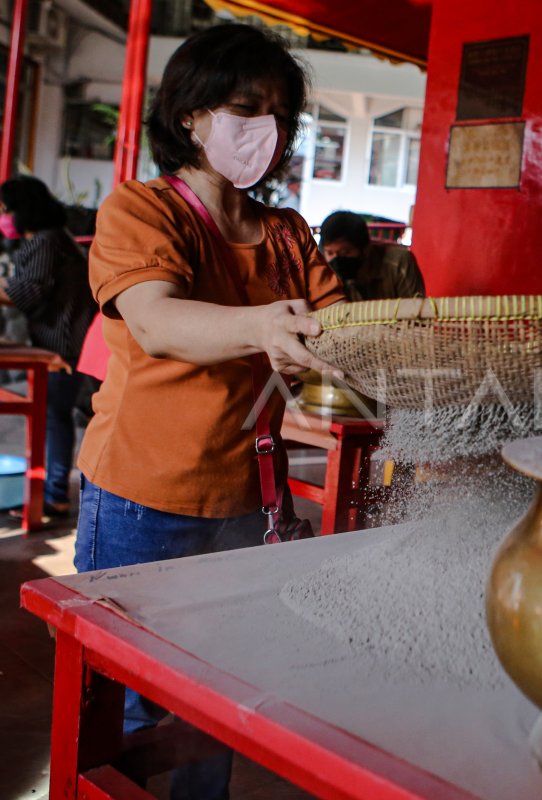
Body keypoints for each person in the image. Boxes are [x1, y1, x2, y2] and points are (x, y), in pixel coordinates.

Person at [74, 24, 344, 798]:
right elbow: (156, 322)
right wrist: (262, 327)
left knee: (215, 701)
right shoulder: (143, 211)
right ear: (190, 115)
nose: (266, 127)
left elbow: (345, 333)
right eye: (243, 106)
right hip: (139, 495)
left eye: (280, 114)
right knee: (129, 708)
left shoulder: (288, 233)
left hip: (246, 502)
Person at [0, 175, 98, 519]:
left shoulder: (46, 241)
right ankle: (50, 491)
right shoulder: (55, 238)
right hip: (67, 341)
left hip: (64, 344)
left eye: (6, 210)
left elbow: (28, 292)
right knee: (55, 416)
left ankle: (53, 494)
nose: (4, 217)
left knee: (54, 417)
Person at [319, 210, 425, 300]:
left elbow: (415, 313)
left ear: (365, 249)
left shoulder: (398, 264)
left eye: (345, 252)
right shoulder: (323, 270)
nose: (337, 259)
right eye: (330, 253)